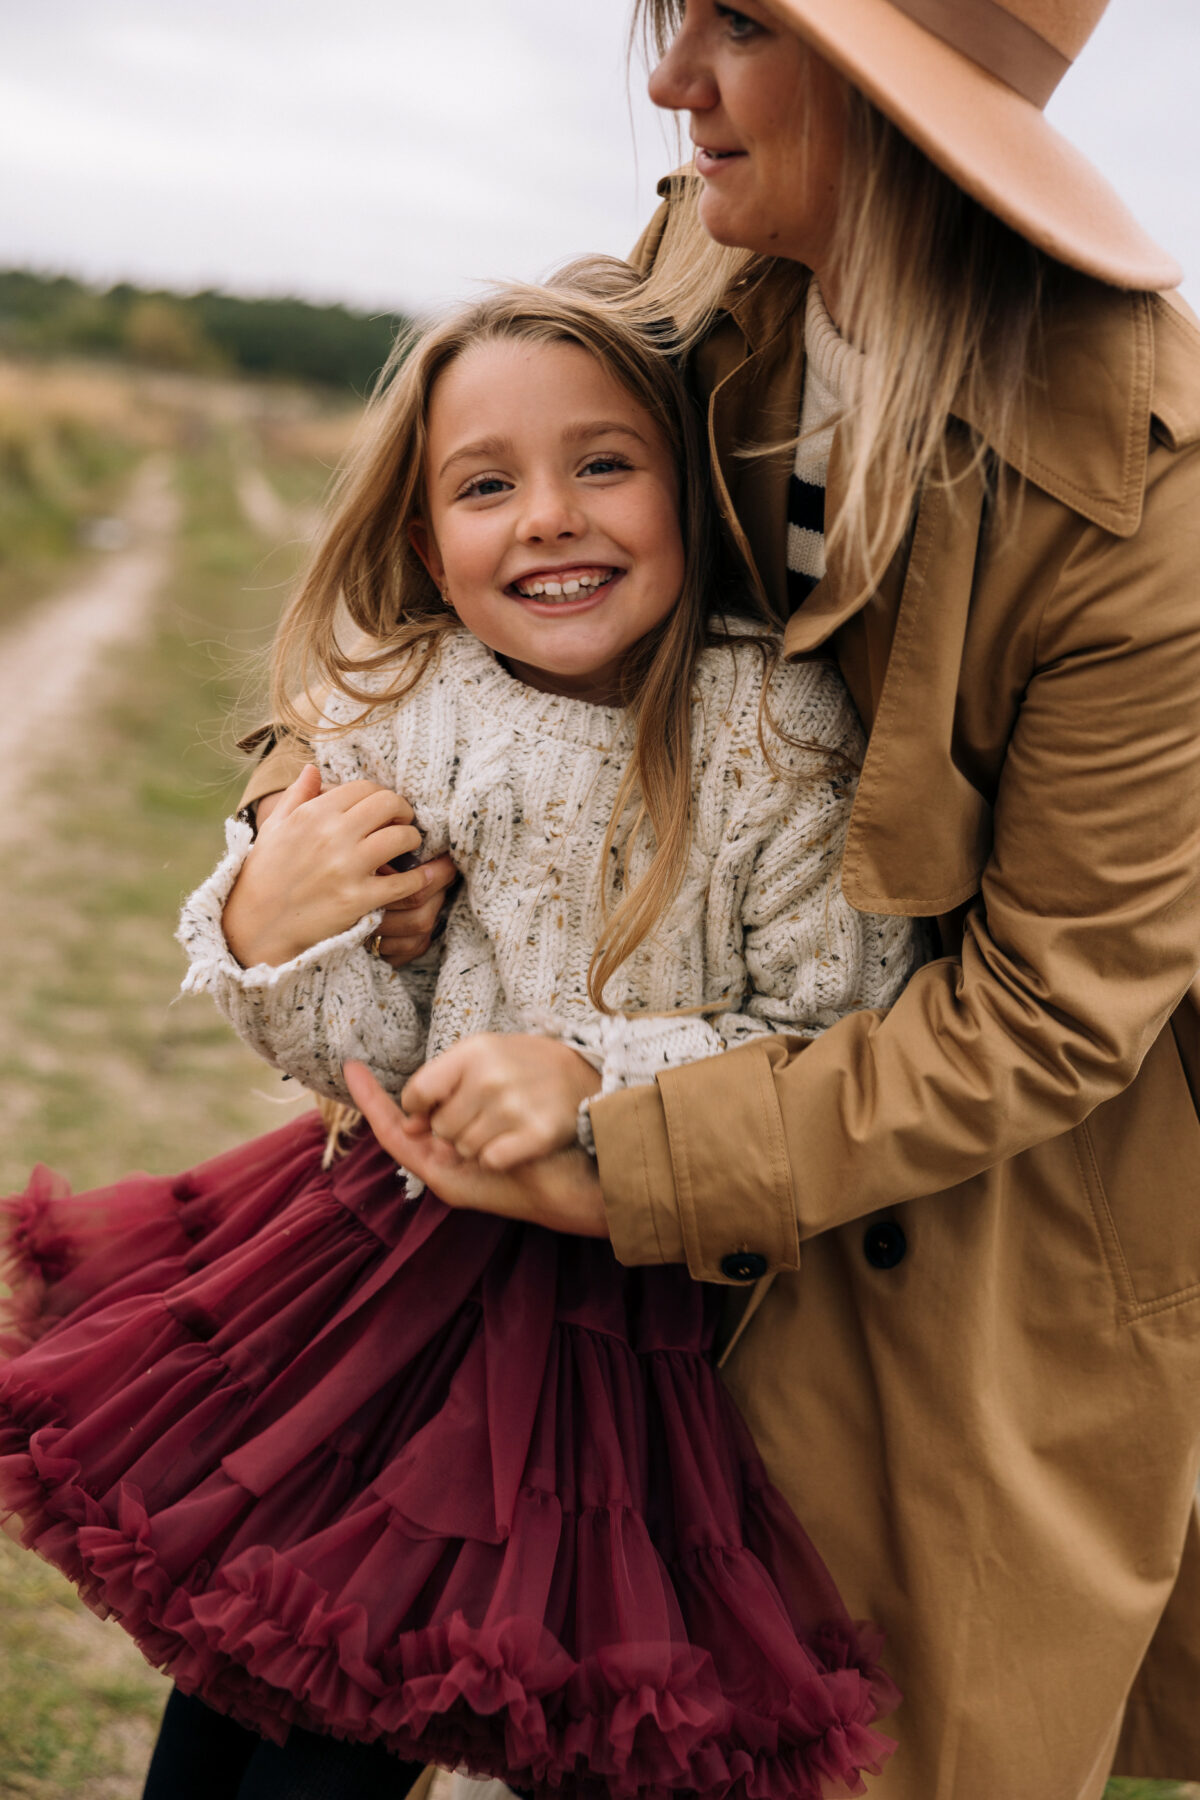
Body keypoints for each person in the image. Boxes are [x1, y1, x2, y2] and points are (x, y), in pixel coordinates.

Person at [244, 4, 1200, 1797]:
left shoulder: (1155, 499)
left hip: (956, 1244)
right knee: (324, 1659)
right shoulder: (705, 250)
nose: (673, 83)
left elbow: (1054, 1016)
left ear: (900, 101)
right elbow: (465, 602)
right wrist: (312, 834)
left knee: (822, 1749)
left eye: (741, 26)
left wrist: (624, 1131)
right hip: (552, 1165)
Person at [0, 269, 924, 1799]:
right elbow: (356, 1049)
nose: (549, 515)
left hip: (614, 1318)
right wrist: (275, 924)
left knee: (478, 1701)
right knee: (263, 1657)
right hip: (366, 1259)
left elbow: (835, 1031)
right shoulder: (412, 702)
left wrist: (594, 1079)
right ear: (428, 536)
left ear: (696, 492)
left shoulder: (776, 729)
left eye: (605, 464)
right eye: (487, 485)